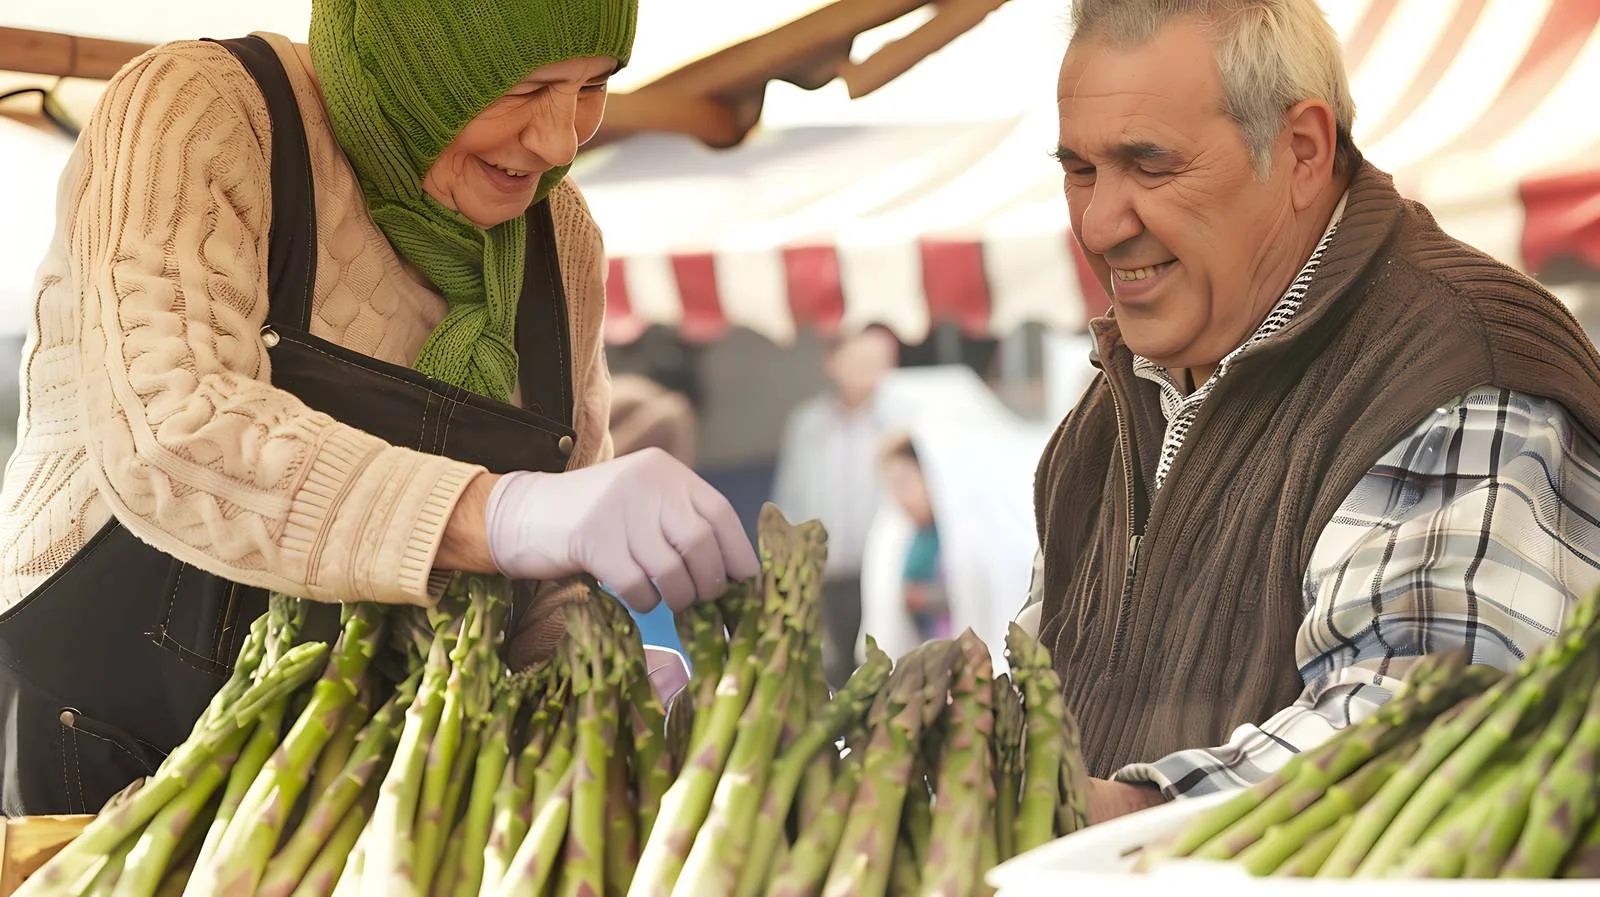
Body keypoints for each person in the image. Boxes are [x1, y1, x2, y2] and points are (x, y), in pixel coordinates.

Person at [0, 0, 758, 816]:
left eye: (594, 85)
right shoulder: (203, 109)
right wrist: (500, 511)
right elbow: (172, 432)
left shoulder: (559, 235)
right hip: (108, 748)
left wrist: (589, 663)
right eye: (526, 87)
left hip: (380, 790)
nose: (560, 140)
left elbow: (548, 575)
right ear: (418, 53)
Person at [1025, 0, 1600, 825]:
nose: (1097, 221)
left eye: (1148, 165)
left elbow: (1421, 731)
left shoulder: (1459, 359)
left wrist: (1115, 817)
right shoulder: (1117, 397)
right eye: (1079, 169)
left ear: (1301, 150)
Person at [771, 324, 900, 688]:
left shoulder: (902, 421)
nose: (868, 369)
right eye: (858, 359)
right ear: (832, 361)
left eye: (877, 361)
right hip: (826, 572)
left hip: (883, 569)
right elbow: (790, 496)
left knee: (884, 664)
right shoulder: (808, 423)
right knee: (831, 669)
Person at [879, 435, 951, 643]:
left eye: (904, 482)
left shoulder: (957, 537)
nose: (899, 496)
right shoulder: (909, 539)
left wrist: (923, 597)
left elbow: (972, 593)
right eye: (892, 486)